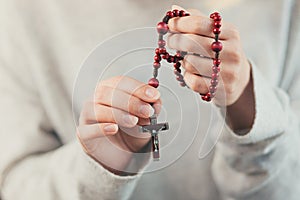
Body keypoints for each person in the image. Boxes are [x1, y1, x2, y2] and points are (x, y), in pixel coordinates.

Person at [0, 0, 299, 199]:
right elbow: (15, 186)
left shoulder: (285, 11)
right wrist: (99, 168)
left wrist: (246, 104)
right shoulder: (25, 13)